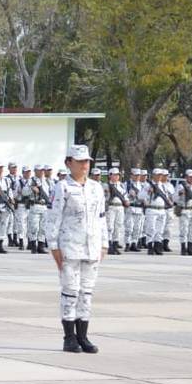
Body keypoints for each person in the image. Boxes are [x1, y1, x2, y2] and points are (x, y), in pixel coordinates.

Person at [44, 144, 107, 354]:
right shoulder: (62, 187)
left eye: (87, 161)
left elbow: (101, 218)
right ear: (68, 163)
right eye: (80, 161)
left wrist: (105, 244)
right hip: (70, 246)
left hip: (92, 247)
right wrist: (54, 247)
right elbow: (53, 219)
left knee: (86, 293)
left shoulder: (96, 188)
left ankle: (83, 336)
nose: (84, 165)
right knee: (70, 292)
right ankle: (69, 337)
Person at [141, 168, 171, 256]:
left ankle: (158, 246)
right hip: (152, 209)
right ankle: (150, 246)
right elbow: (140, 196)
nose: (159, 177)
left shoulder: (164, 186)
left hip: (162, 209)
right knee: (151, 228)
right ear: (153, 175)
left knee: (160, 230)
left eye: (160, 175)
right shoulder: (148, 186)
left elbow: (167, 197)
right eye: (157, 175)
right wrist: (148, 192)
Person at [104, 167, 127, 256]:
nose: (117, 177)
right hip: (111, 207)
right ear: (110, 176)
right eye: (115, 175)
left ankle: (115, 245)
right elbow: (104, 197)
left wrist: (127, 200)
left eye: (118, 175)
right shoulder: (106, 185)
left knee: (118, 226)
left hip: (120, 207)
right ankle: (109, 245)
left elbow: (125, 195)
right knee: (110, 227)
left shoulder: (121, 185)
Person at [124, 168, 145, 252]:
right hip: (131, 208)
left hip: (139, 208)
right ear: (131, 175)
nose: (137, 177)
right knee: (129, 227)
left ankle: (134, 243)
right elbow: (123, 194)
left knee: (137, 228)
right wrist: (129, 195)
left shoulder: (142, 185)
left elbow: (145, 196)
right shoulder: (127, 184)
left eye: (138, 175)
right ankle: (127, 244)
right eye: (135, 175)